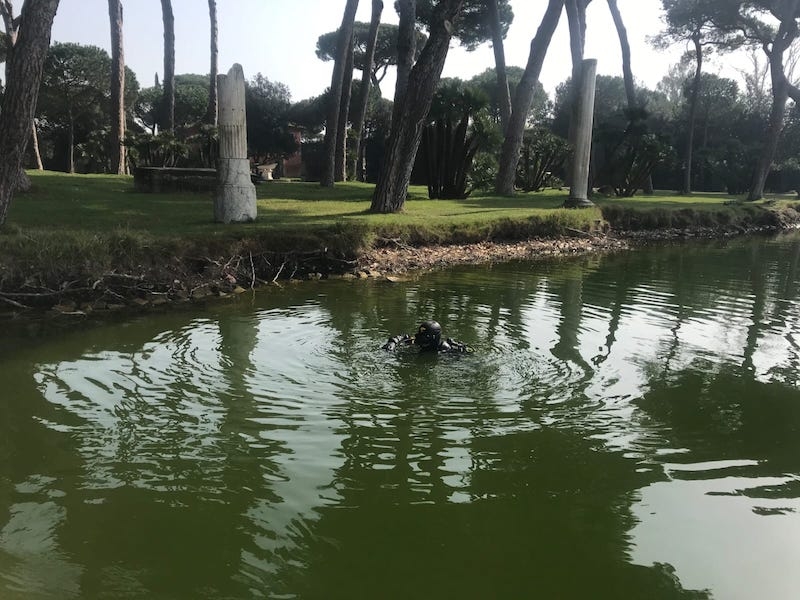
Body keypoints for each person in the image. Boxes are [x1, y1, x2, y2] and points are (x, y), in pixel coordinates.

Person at [382, 320, 473, 353]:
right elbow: (403, 336)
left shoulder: (446, 349)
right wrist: (392, 342)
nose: (419, 337)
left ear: (432, 337)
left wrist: (461, 347)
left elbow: (470, 351)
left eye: (424, 336)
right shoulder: (416, 341)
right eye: (420, 333)